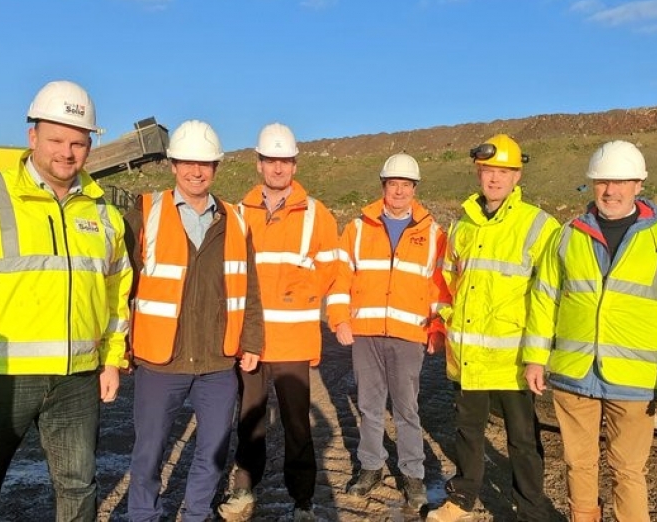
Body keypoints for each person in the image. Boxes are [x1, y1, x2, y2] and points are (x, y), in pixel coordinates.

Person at [0, 80, 133, 521]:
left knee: (79, 488)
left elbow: (116, 292)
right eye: (55, 139)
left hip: (76, 378)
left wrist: (111, 360)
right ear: (32, 136)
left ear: (90, 145)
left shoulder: (102, 213)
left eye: (78, 142)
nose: (66, 152)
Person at [523, 140, 657, 522]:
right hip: (574, 374)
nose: (611, 190)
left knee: (629, 471)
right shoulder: (568, 236)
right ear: (592, 185)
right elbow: (544, 300)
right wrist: (535, 358)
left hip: (634, 381)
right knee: (578, 464)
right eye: (603, 181)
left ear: (639, 184)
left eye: (621, 181)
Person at [125, 119, 265, 522]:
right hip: (160, 360)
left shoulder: (236, 221)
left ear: (216, 168)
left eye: (205, 163)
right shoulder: (146, 213)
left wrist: (252, 342)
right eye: (187, 162)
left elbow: (250, 289)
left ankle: (196, 514)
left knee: (214, 449)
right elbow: (122, 287)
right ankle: (143, 516)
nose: (196, 171)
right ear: (173, 165)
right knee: (149, 452)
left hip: (217, 363)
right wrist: (118, 348)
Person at [426, 134, 558, 522]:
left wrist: (538, 355)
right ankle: (463, 498)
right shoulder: (462, 225)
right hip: (469, 357)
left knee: (523, 441)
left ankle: (531, 511)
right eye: (488, 171)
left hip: (514, 359)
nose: (494, 179)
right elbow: (446, 281)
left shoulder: (539, 225)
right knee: (467, 432)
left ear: (517, 176)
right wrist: (442, 324)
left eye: (503, 172)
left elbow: (547, 294)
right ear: (478, 174)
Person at [217, 123, 339, 522]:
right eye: (271, 160)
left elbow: (330, 269)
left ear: (294, 164)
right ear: (259, 163)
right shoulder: (238, 213)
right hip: (250, 341)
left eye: (285, 160)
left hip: (294, 341)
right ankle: (243, 491)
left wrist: (300, 288)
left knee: (296, 425)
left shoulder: (316, 214)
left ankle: (302, 500)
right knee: (250, 419)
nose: (278, 168)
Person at [327, 153, 451, 510]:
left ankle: (412, 473)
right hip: (364, 333)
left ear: (414, 189)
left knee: (406, 408)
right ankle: (370, 467)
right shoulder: (358, 228)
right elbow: (341, 277)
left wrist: (436, 329)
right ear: (383, 187)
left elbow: (439, 287)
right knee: (368, 405)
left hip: (409, 334)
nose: (399, 191)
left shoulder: (432, 234)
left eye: (406, 185)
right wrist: (340, 318)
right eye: (393, 184)